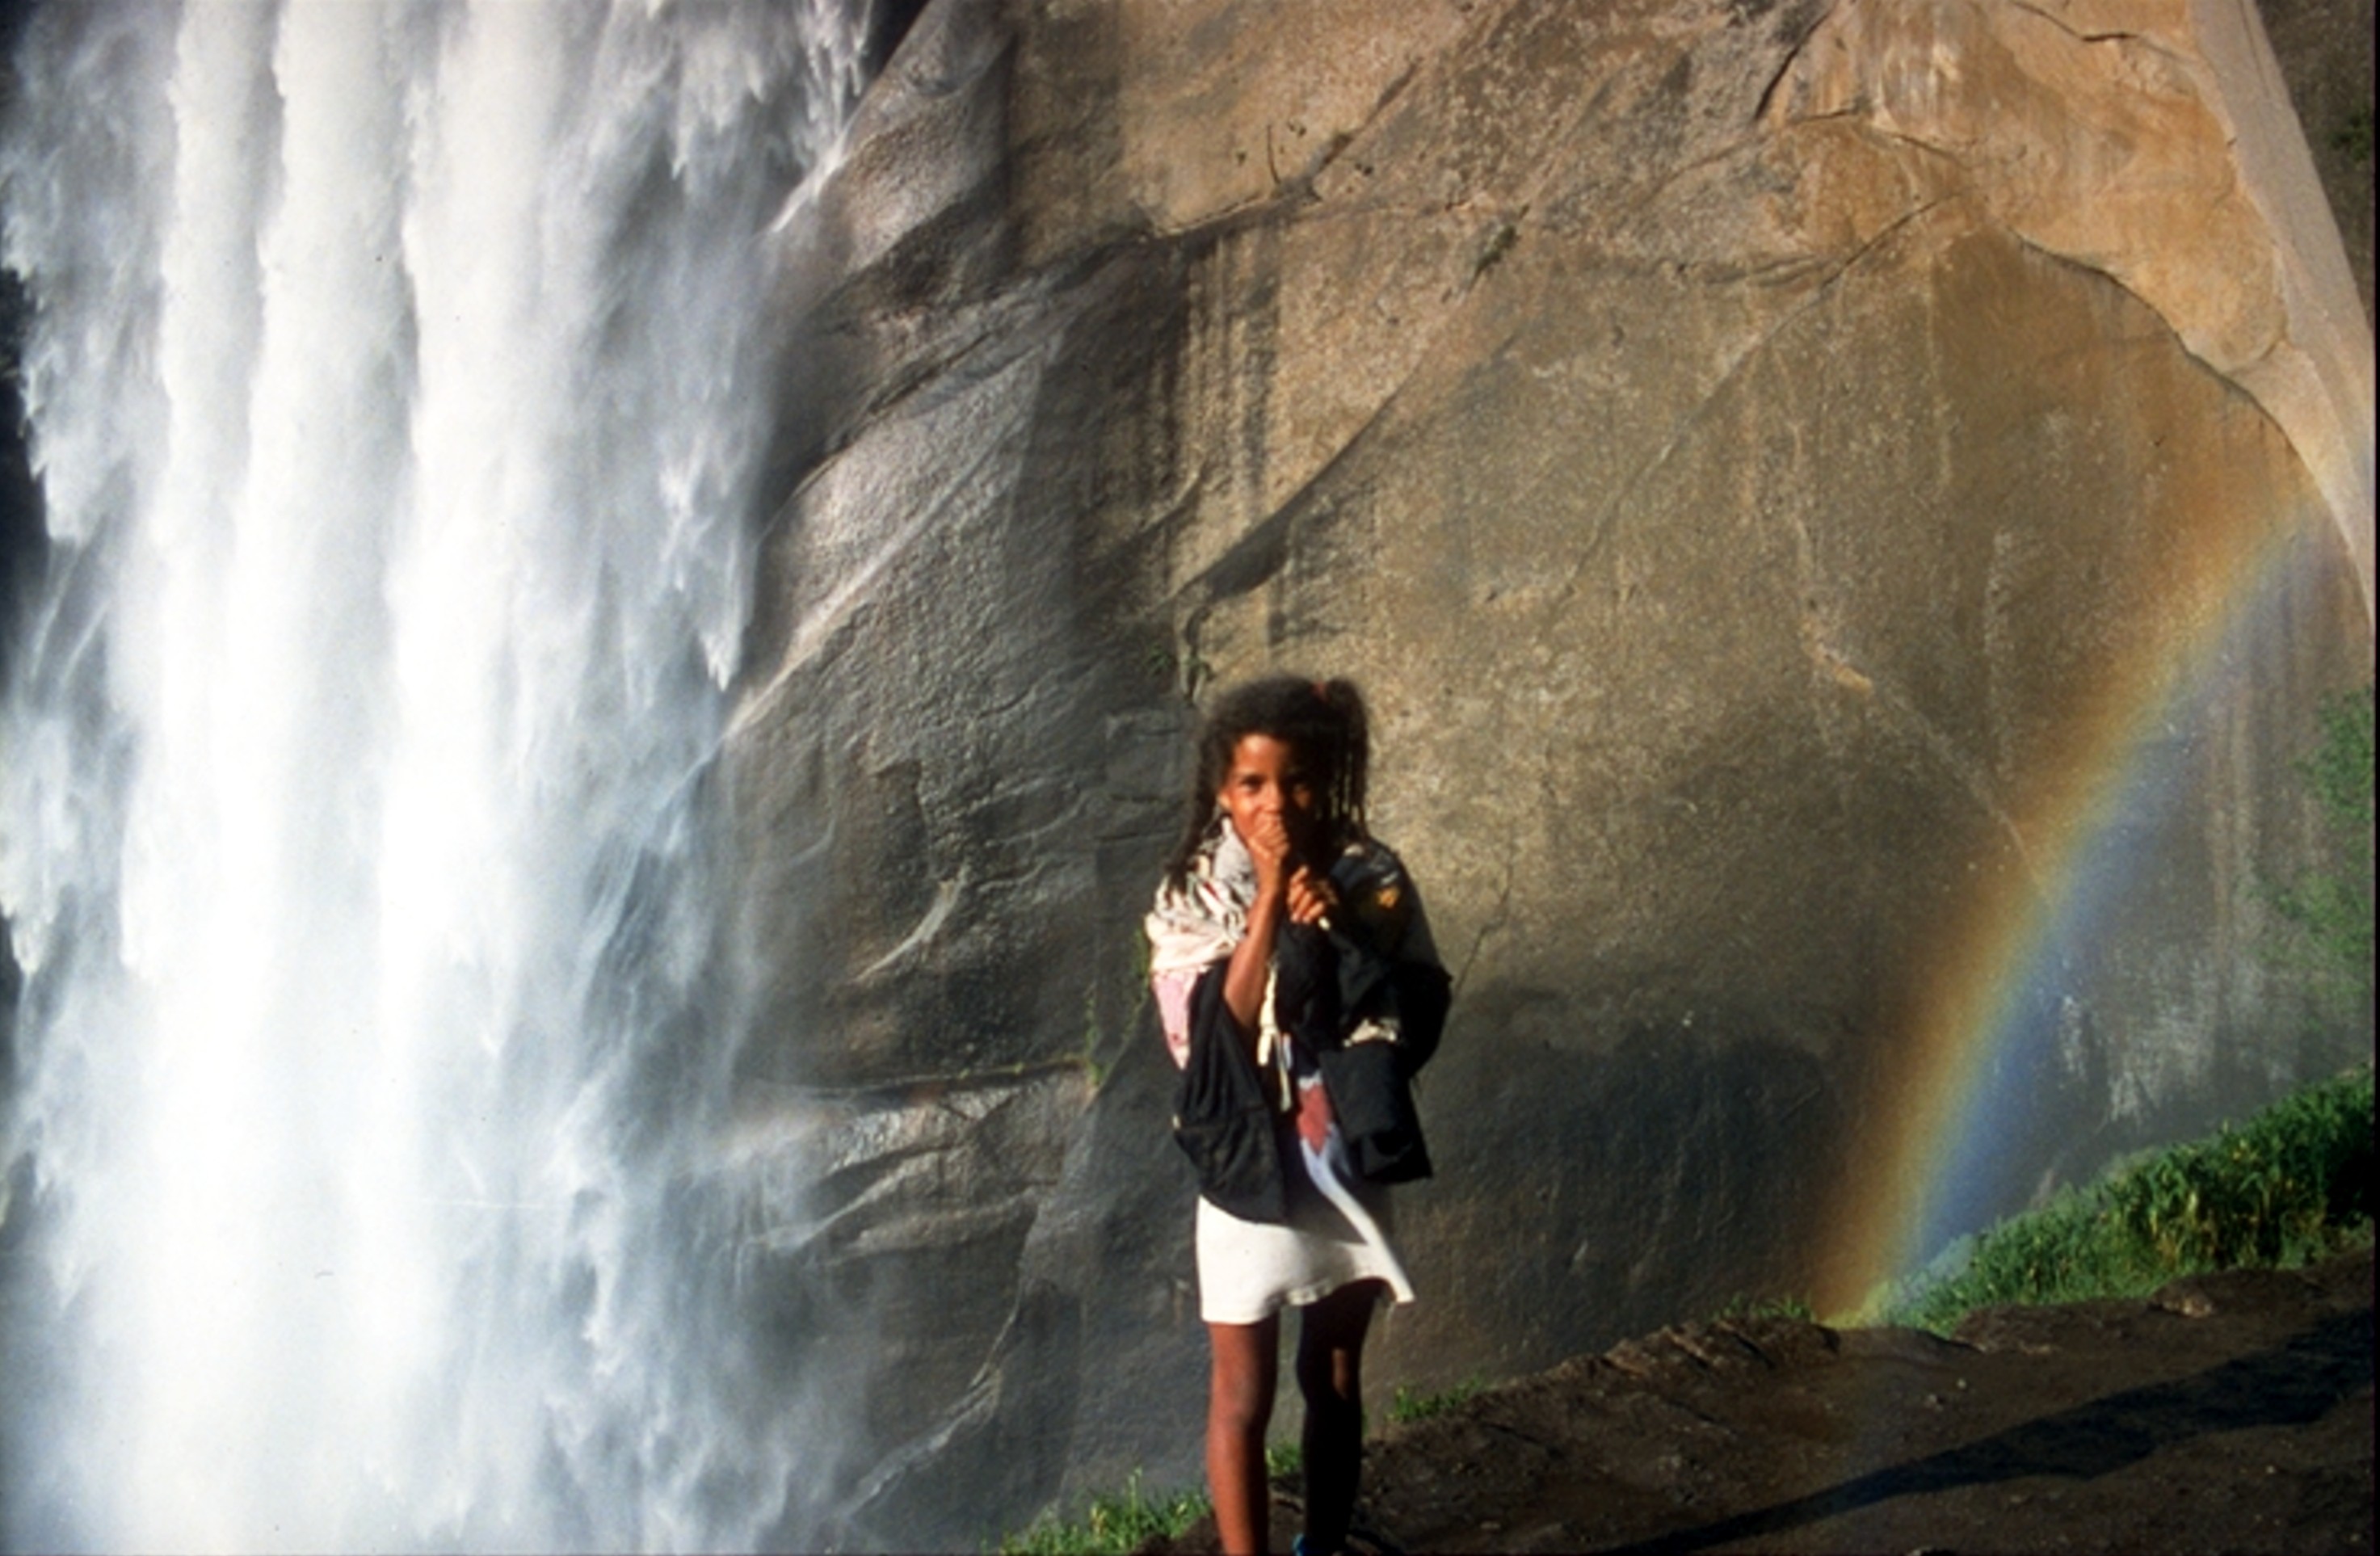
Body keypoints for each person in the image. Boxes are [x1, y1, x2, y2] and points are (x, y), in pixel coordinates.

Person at [1146, 675, 1450, 1556]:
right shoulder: (1193, 895)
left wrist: (1343, 927)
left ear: (1329, 782)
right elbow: (1211, 1049)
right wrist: (1273, 901)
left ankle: (1322, 1545)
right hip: (1246, 1169)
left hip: (1341, 1158)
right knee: (1241, 1390)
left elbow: (1411, 1012)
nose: (1275, 803)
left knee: (1337, 1372)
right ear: (1220, 791)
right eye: (1252, 785)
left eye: (1298, 782)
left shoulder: (1372, 878)